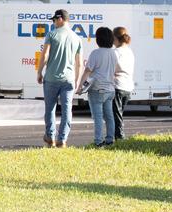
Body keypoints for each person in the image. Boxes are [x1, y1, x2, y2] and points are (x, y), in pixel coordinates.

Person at [37, 9, 83, 148]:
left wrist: (39, 72)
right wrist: (76, 81)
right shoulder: (77, 38)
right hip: (68, 80)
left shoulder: (51, 35)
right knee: (67, 110)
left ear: (60, 19)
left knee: (50, 109)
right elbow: (79, 63)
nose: (53, 23)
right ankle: (62, 139)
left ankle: (50, 137)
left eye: (54, 20)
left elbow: (45, 56)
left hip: (51, 78)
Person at [78, 26, 118, 147]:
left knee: (98, 118)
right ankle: (110, 140)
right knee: (109, 116)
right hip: (110, 90)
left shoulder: (96, 53)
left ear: (98, 39)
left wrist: (80, 86)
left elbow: (87, 71)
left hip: (97, 89)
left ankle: (98, 141)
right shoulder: (114, 53)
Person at [111, 26, 135, 140]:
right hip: (128, 86)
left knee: (116, 114)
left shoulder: (116, 52)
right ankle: (118, 136)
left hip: (117, 85)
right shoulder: (130, 51)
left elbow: (112, 69)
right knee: (119, 113)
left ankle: (119, 137)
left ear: (115, 38)